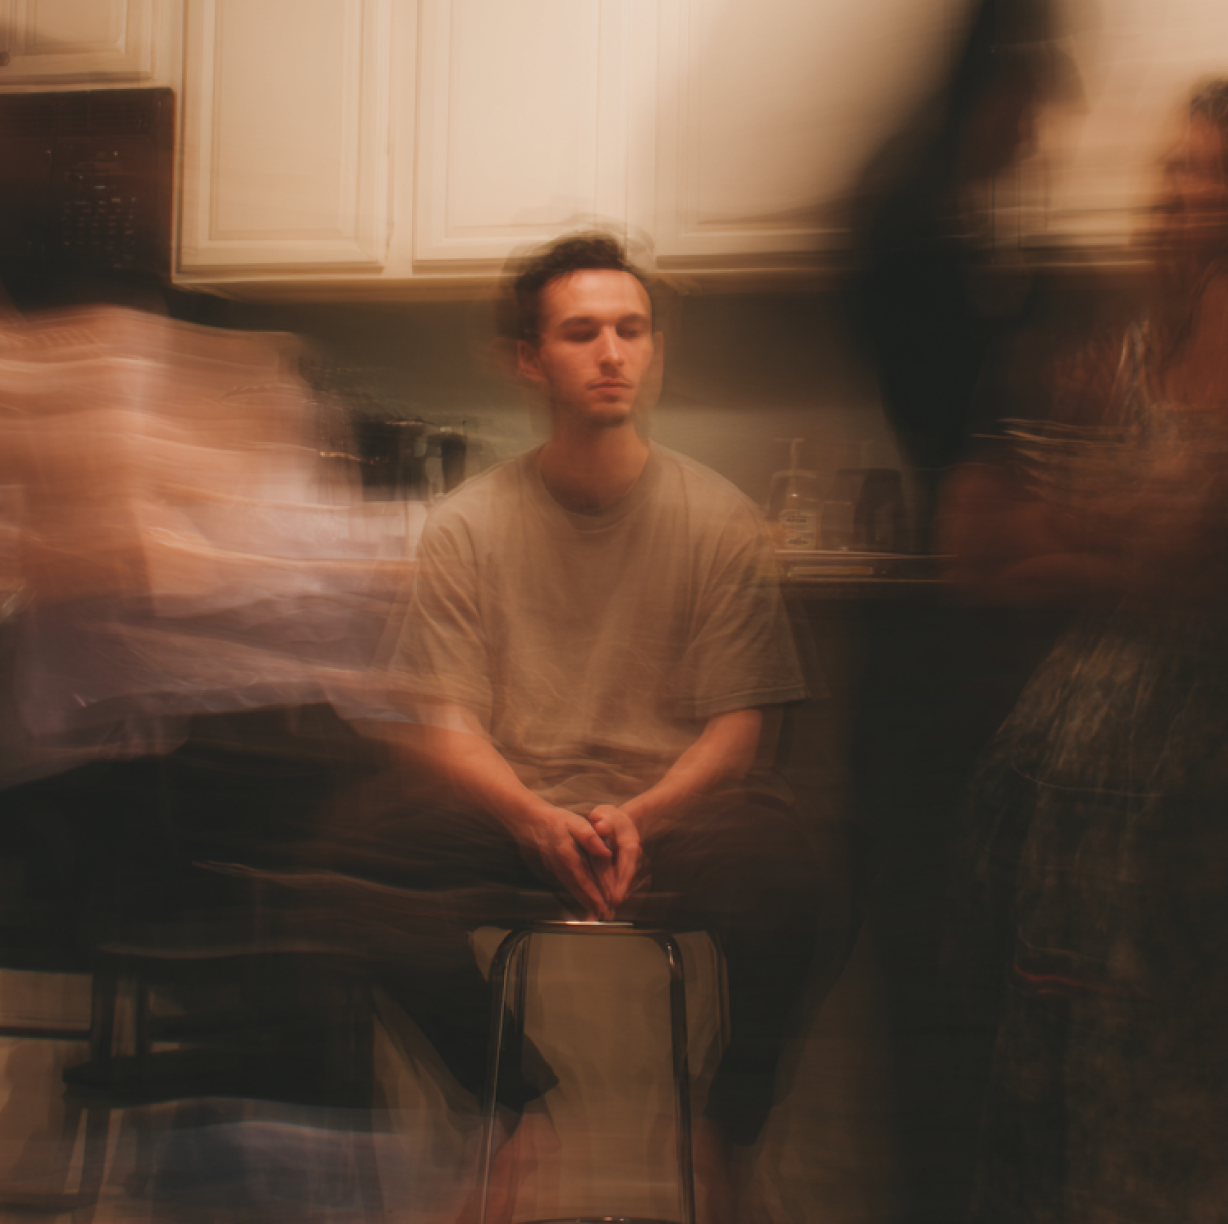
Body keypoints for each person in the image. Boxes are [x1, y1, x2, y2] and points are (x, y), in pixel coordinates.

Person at [347, 234, 857, 1222]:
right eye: (581, 333)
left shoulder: (719, 519)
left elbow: (737, 725)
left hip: (673, 815)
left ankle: (726, 1128)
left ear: (654, 349)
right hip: (515, 805)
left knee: (806, 871)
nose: (612, 352)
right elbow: (446, 721)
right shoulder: (466, 524)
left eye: (630, 330)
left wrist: (642, 814)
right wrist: (534, 817)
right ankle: (513, 1108)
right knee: (354, 862)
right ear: (527, 359)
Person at [941, 78, 1228, 1223]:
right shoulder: (1108, 355)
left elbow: (1185, 553)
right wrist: (1124, 540)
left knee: (1157, 1108)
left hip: (1181, 806)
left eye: (1213, 174)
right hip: (1061, 792)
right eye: (1174, 170)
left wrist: (1094, 531)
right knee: (1040, 1105)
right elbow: (978, 544)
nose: (1185, 193)